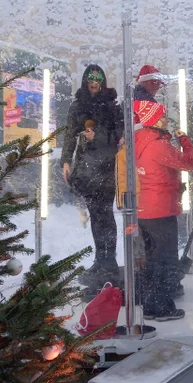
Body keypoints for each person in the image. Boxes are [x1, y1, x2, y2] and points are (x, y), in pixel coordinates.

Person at [133, 99, 193, 321]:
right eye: (163, 116)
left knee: (152, 259)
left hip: (145, 209)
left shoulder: (139, 141)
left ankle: (151, 305)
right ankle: (162, 307)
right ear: (153, 120)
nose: (167, 119)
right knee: (165, 259)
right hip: (161, 209)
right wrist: (184, 140)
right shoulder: (159, 146)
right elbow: (188, 163)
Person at [62, 65, 123, 289]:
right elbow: (69, 134)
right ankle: (101, 258)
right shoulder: (78, 106)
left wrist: (97, 137)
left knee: (105, 215)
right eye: (90, 78)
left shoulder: (112, 106)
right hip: (87, 169)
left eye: (98, 79)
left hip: (106, 168)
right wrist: (66, 161)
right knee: (97, 215)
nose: (94, 83)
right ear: (85, 81)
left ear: (103, 81)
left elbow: (119, 134)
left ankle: (110, 260)